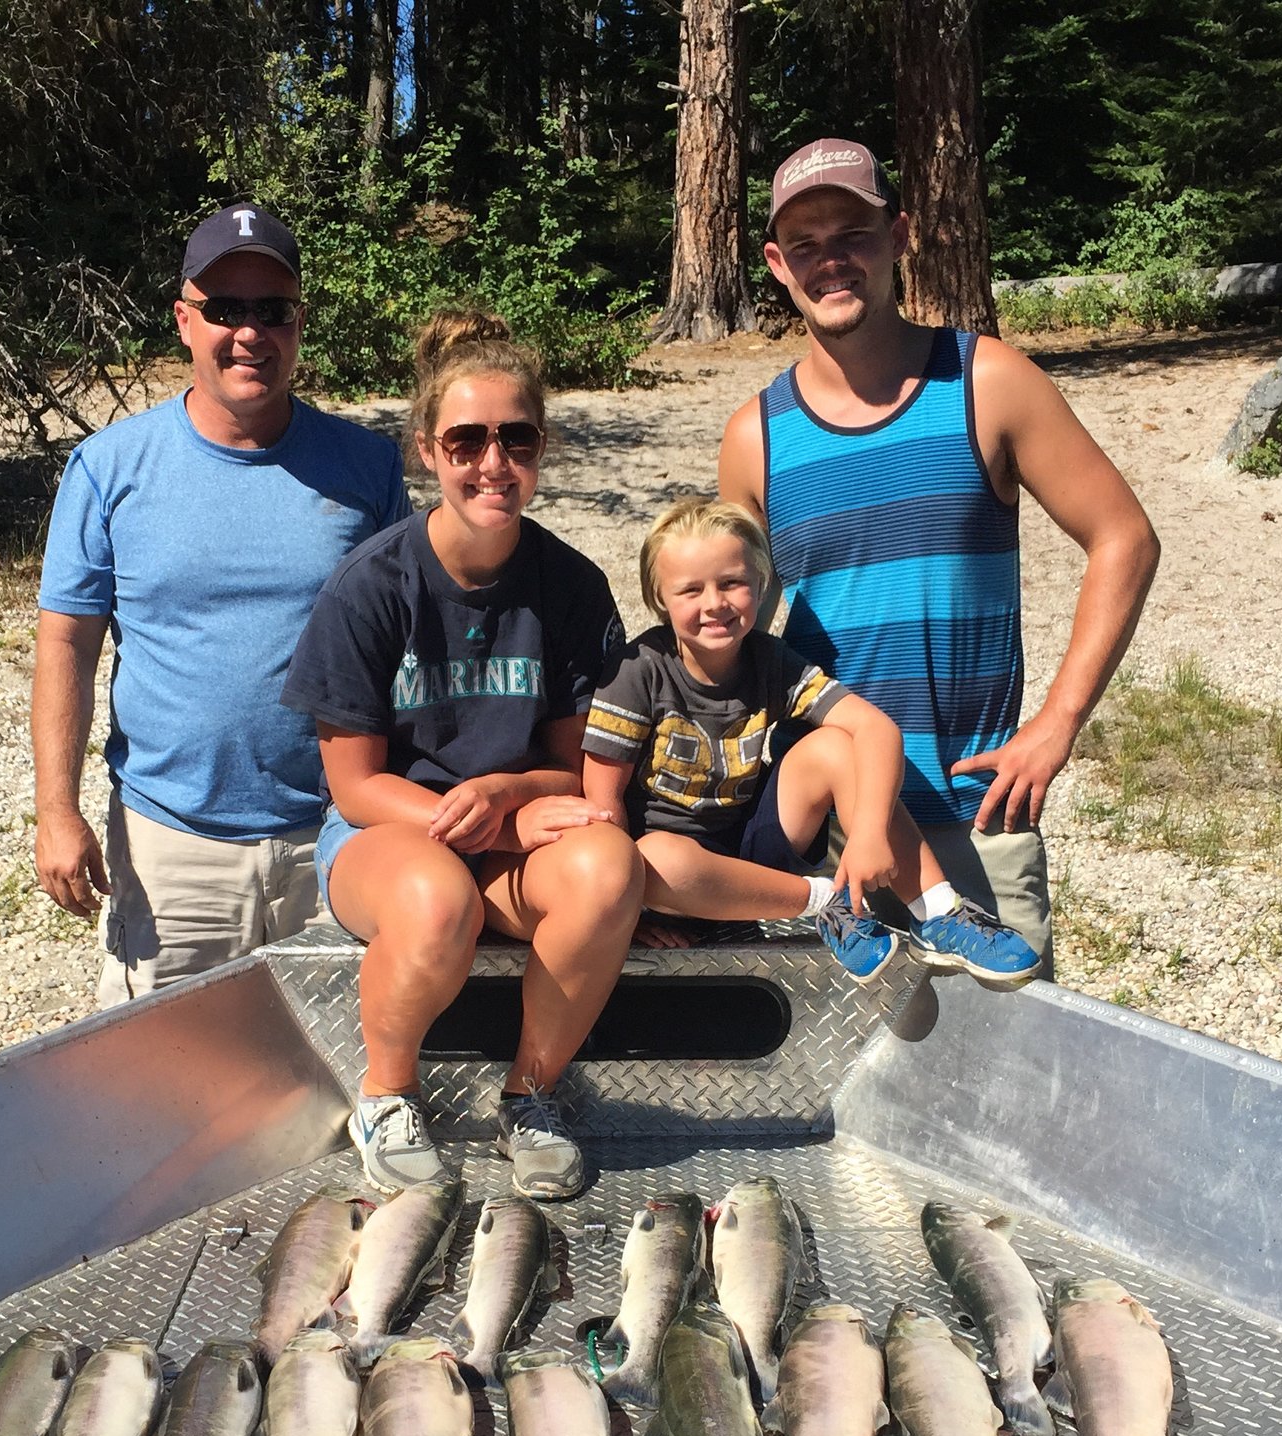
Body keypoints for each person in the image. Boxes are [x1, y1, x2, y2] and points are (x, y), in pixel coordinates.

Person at [720, 138, 1163, 978]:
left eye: (852, 234)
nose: (831, 261)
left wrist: (1057, 724)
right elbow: (727, 636)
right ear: (777, 265)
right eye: (805, 245)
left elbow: (1124, 537)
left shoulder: (988, 382)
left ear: (899, 236)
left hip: (975, 824)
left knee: (1007, 1060)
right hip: (832, 837)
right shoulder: (754, 439)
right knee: (847, 1066)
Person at [283, 309, 641, 1201]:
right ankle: (387, 1094)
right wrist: (471, 820)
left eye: (516, 438)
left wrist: (509, 794)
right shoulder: (371, 585)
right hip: (387, 838)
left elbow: (574, 769)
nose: (493, 461)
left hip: (510, 831)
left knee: (608, 867)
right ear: (426, 451)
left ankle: (531, 1094)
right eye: (467, 440)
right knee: (438, 896)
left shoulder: (570, 585)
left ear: (541, 447)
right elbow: (356, 787)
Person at [31, 204, 410, 1004]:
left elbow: (406, 642)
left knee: (339, 1065)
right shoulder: (108, 468)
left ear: (299, 323)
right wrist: (56, 810)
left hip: (337, 839)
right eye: (225, 309)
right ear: (183, 321)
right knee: (166, 1069)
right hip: (171, 846)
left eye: (272, 310)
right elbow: (66, 643)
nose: (249, 333)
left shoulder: (367, 467)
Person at [581, 498, 1040, 988]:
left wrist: (868, 834)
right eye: (690, 589)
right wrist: (625, 910)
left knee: (837, 747)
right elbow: (602, 804)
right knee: (658, 855)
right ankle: (825, 901)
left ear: (760, 582)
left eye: (731, 582)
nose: (714, 603)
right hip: (667, 882)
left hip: (749, 853)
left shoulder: (770, 660)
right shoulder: (638, 670)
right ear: (659, 597)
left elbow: (877, 729)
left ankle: (938, 912)